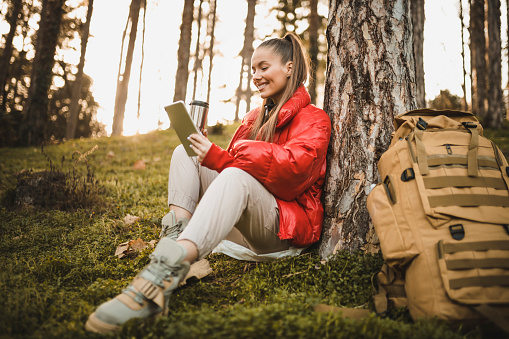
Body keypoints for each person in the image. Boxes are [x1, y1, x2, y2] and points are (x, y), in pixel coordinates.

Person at [85, 32, 331, 334]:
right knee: (186, 152)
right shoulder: (254, 119)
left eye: (264, 67)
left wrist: (222, 157)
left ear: (290, 67)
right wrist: (210, 154)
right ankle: (175, 242)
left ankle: (162, 273)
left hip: (283, 232)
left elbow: (291, 175)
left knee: (234, 176)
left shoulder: (314, 118)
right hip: (248, 223)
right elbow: (235, 168)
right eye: (253, 69)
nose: (256, 76)